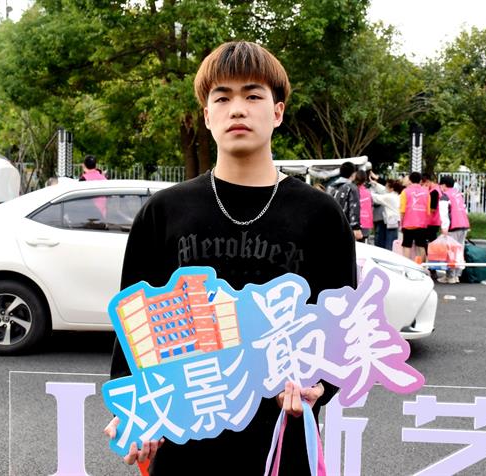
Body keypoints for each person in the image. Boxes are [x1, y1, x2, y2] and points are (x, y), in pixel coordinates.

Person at [105, 41, 357, 475]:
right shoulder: (164, 212)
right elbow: (132, 324)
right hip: (187, 438)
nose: (237, 109)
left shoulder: (319, 214)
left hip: (280, 437)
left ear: (277, 112)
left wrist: (321, 387)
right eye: (222, 98)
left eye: (253, 95)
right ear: (207, 116)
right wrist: (135, 411)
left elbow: (341, 324)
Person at [438, 175, 470, 284]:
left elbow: (444, 214)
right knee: (459, 251)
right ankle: (457, 275)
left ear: (443, 185)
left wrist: (444, 227)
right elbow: (465, 210)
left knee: (450, 252)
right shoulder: (458, 194)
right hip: (463, 225)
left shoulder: (445, 197)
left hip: (453, 227)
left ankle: (450, 276)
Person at [400, 171, 429, 261]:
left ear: (410, 180)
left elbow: (402, 210)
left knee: (407, 246)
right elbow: (428, 211)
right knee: (421, 246)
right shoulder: (426, 192)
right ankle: (422, 266)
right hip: (421, 224)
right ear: (420, 180)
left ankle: (406, 266)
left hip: (408, 223)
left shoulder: (405, 192)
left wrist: (401, 223)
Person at [329, 161, 362, 241]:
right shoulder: (351, 188)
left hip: (330, 226)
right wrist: (355, 227)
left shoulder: (330, 187)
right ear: (353, 174)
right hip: (345, 227)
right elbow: (354, 208)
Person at [369, 178, 401, 251]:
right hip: (394, 222)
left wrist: (365, 191)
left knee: (389, 244)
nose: (385, 188)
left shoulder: (389, 197)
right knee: (391, 242)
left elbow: (376, 197)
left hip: (391, 222)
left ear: (391, 189)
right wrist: (375, 184)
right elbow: (383, 190)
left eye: (386, 186)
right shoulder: (395, 195)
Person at [354, 169, 373, 243]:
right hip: (365, 222)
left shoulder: (351, 191)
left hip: (353, 223)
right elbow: (370, 208)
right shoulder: (368, 193)